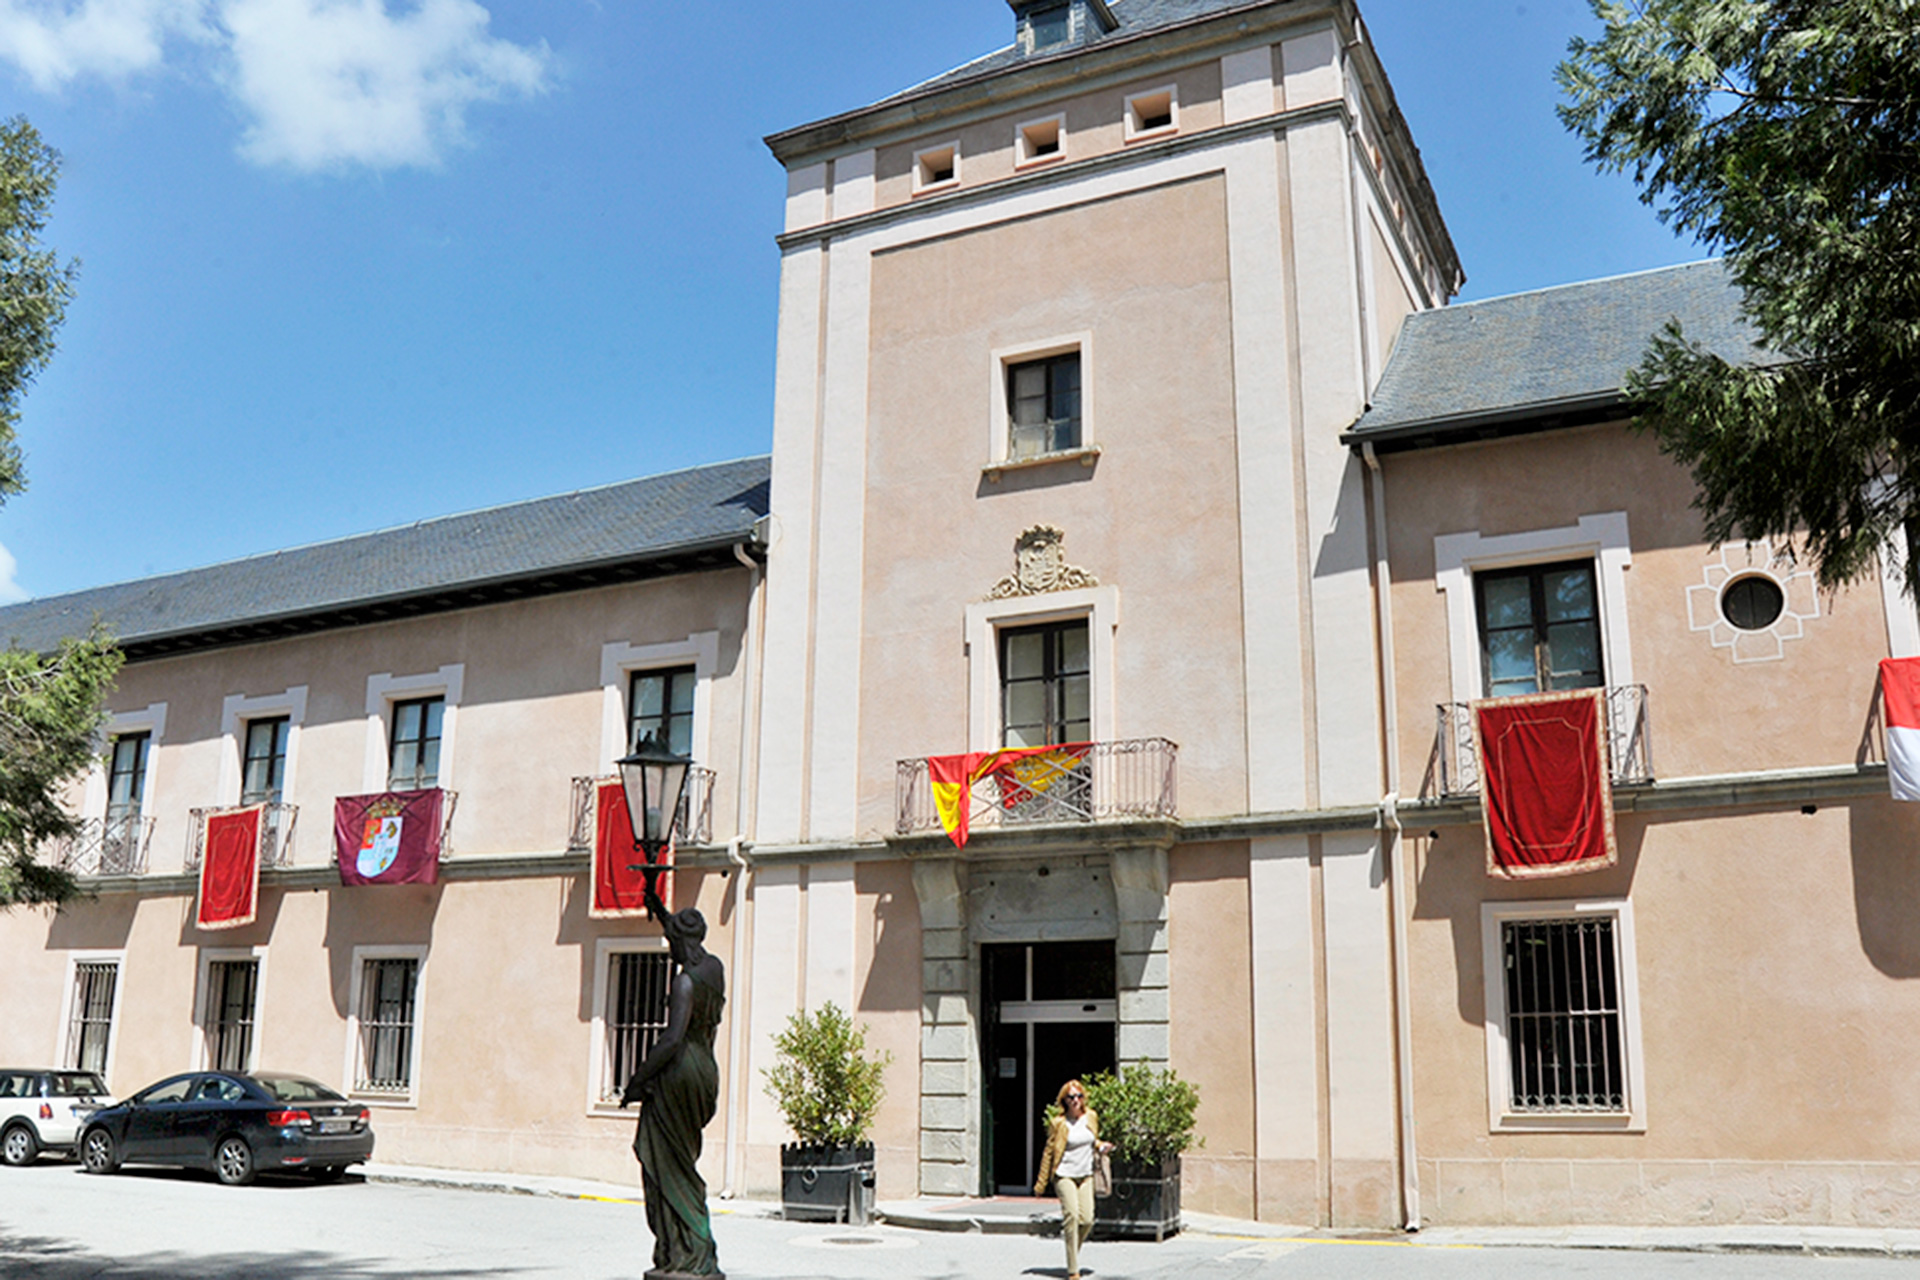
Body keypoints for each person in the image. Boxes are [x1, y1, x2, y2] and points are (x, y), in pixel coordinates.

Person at [621, 874, 725, 1278]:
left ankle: (689, 1251)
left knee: (667, 1164)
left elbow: (670, 1040)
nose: (667, 944)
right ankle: (682, 1248)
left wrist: (636, 1081)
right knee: (683, 1159)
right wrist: (657, 903)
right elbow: (676, 933)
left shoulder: (684, 982)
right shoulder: (714, 968)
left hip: (679, 1072)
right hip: (705, 1071)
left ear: (679, 943)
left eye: (670, 940)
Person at [1033, 1078, 1112, 1280]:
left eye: (1079, 1096)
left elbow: (1093, 1139)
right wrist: (1041, 1183)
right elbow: (1049, 1152)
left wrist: (1101, 1146)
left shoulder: (1091, 1117)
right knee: (1072, 1216)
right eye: (1071, 1097)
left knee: (1087, 1219)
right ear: (1065, 1100)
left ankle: (1071, 1252)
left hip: (1086, 1174)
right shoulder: (1058, 1123)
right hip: (1064, 1174)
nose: (1076, 1100)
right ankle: (1073, 1270)